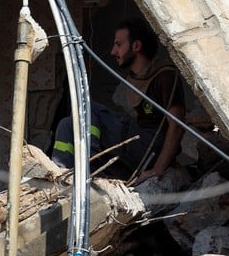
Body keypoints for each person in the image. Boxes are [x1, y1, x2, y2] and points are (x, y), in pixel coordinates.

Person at [51, 17, 185, 184]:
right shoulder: (134, 78)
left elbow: (177, 126)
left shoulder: (164, 75)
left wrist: (158, 169)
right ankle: (61, 174)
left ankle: (90, 164)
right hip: (138, 144)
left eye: (119, 45)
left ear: (136, 46)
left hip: (151, 146)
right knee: (66, 124)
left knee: (87, 108)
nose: (113, 51)